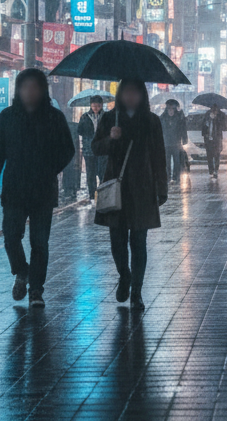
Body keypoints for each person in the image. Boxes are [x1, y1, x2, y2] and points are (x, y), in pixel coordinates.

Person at [0, 69, 75, 308]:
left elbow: (68, 149)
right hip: (14, 188)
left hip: (43, 190)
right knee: (11, 236)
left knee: (40, 242)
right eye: (25, 87)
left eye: (35, 87)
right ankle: (21, 271)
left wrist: (50, 168)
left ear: (43, 90)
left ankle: (36, 290)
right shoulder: (8, 116)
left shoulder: (53, 117)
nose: (30, 92)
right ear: (18, 90)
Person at [93, 79, 168, 310]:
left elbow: (159, 156)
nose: (130, 96)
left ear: (142, 95)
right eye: (127, 92)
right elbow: (96, 148)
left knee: (139, 241)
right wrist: (110, 139)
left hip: (143, 188)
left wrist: (161, 188)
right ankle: (124, 275)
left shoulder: (151, 121)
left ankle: (136, 291)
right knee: (117, 241)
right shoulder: (109, 118)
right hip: (117, 188)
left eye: (135, 92)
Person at [77, 95, 106, 199]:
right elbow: (79, 130)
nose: (95, 108)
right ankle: (92, 195)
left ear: (101, 105)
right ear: (90, 105)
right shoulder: (85, 117)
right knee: (90, 173)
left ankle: (103, 193)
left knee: (102, 172)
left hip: (102, 150)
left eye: (98, 106)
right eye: (93, 105)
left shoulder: (106, 116)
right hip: (88, 149)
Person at [160, 99, 189, 183]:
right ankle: (168, 177)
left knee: (177, 162)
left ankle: (176, 177)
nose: (171, 111)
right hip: (166, 143)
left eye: (172, 109)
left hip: (176, 143)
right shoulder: (163, 118)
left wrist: (184, 139)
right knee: (167, 162)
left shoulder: (179, 118)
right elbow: (159, 130)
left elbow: (183, 129)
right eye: (169, 109)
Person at [201, 104, 227, 177]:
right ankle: (211, 170)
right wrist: (207, 123)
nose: (214, 111)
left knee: (217, 155)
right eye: (213, 109)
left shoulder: (221, 115)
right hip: (208, 138)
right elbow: (203, 126)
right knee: (209, 156)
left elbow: (225, 127)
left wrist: (216, 119)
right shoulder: (207, 115)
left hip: (217, 139)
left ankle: (216, 170)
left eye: (215, 109)